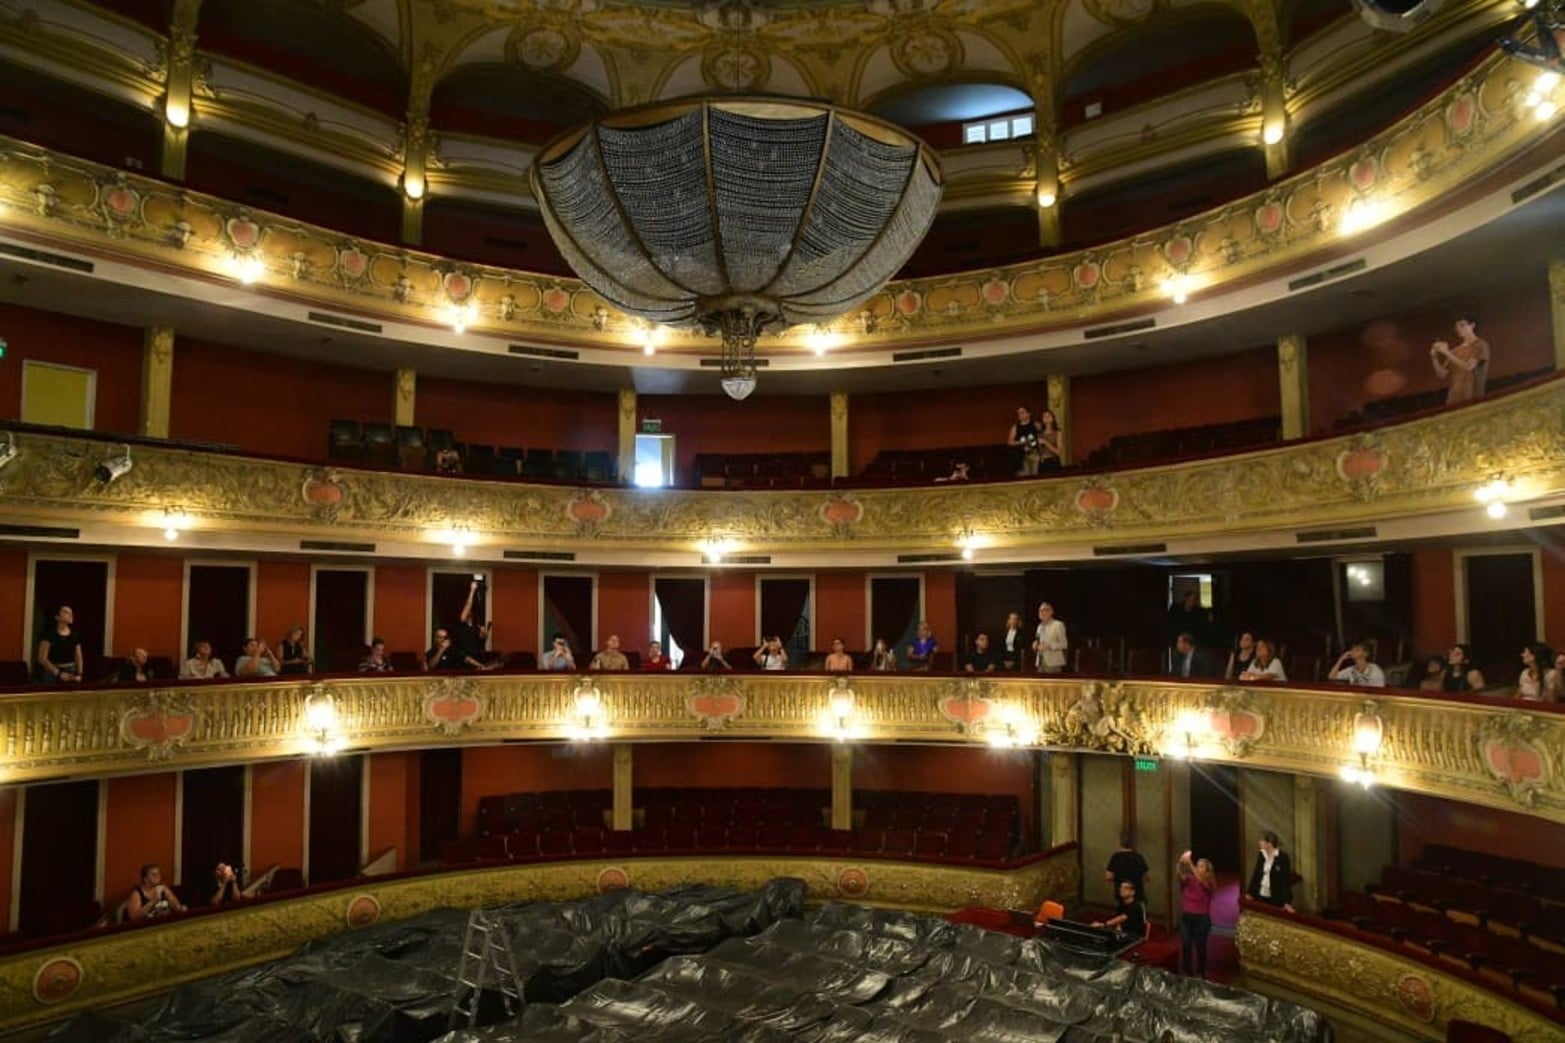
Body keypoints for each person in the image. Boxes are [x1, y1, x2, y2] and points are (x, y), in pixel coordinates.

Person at [1429, 315, 1489, 405]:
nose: (1459, 329)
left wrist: (1446, 352)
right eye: (1457, 327)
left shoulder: (1480, 345)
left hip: (1473, 398)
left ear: (1472, 325)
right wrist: (1434, 357)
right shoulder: (1455, 351)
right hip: (1453, 400)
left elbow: (1469, 366)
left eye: (1462, 325)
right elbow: (1442, 374)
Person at [1177, 851, 1216, 977]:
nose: (1198, 868)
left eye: (1201, 866)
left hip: (1201, 920)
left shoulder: (1209, 881)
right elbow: (1180, 877)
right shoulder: (1190, 879)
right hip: (1186, 918)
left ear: (1207, 870)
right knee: (1186, 946)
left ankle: (1201, 972)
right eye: (1197, 865)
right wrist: (1181, 863)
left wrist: (1190, 863)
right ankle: (1187, 971)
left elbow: (1201, 881)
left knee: (1200, 947)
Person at [1247, 830, 1295, 912]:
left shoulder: (1283, 857)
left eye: (1262, 841)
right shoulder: (1262, 854)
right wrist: (1250, 893)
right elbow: (1256, 875)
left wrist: (1287, 902)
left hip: (1275, 897)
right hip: (1260, 894)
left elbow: (1285, 881)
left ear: (1269, 844)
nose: (1259, 842)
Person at [34, 604, 83, 683]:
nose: (70, 614)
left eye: (71, 612)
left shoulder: (74, 634)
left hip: (71, 672)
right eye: (66, 612)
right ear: (57, 617)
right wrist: (58, 673)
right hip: (52, 672)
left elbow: (78, 656)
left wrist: (79, 673)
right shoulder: (48, 634)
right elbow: (42, 658)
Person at [453, 579, 494, 669]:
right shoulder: (460, 624)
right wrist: (472, 590)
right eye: (466, 609)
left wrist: (484, 634)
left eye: (469, 609)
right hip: (464, 662)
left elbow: (481, 640)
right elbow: (468, 604)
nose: (468, 610)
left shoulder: (476, 625)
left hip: (477, 661)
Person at [1105, 833, 1150, 901]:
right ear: (1133, 845)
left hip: (1122, 893)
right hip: (1137, 893)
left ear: (1120, 844)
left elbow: (1108, 877)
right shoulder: (1138, 857)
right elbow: (1146, 877)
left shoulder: (1116, 857)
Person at [1033, 602, 1068, 674]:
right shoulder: (1039, 626)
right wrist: (1035, 645)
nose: (1041, 613)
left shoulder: (1058, 625)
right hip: (1040, 662)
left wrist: (1050, 646)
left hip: (1053, 663)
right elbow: (1038, 640)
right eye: (1040, 611)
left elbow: (1064, 644)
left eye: (1044, 610)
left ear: (1051, 612)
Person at [1008, 405, 1043, 477]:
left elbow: (1042, 437)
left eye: (1022, 412)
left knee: (1036, 474)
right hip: (1021, 455)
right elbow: (1010, 442)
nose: (1020, 415)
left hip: (1035, 453)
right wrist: (1022, 442)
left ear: (1028, 413)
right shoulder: (1015, 427)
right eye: (1019, 413)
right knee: (1024, 475)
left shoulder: (1036, 425)